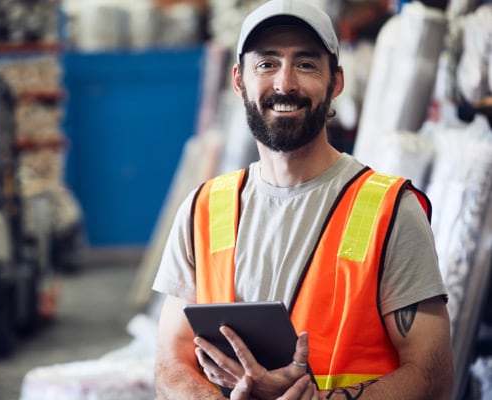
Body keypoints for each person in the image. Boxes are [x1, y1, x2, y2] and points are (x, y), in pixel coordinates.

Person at [151, 0, 454, 399]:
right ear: (239, 80)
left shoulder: (390, 209)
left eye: (306, 64)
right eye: (267, 64)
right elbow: (170, 365)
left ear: (336, 82)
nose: (285, 84)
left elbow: (433, 374)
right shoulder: (203, 209)